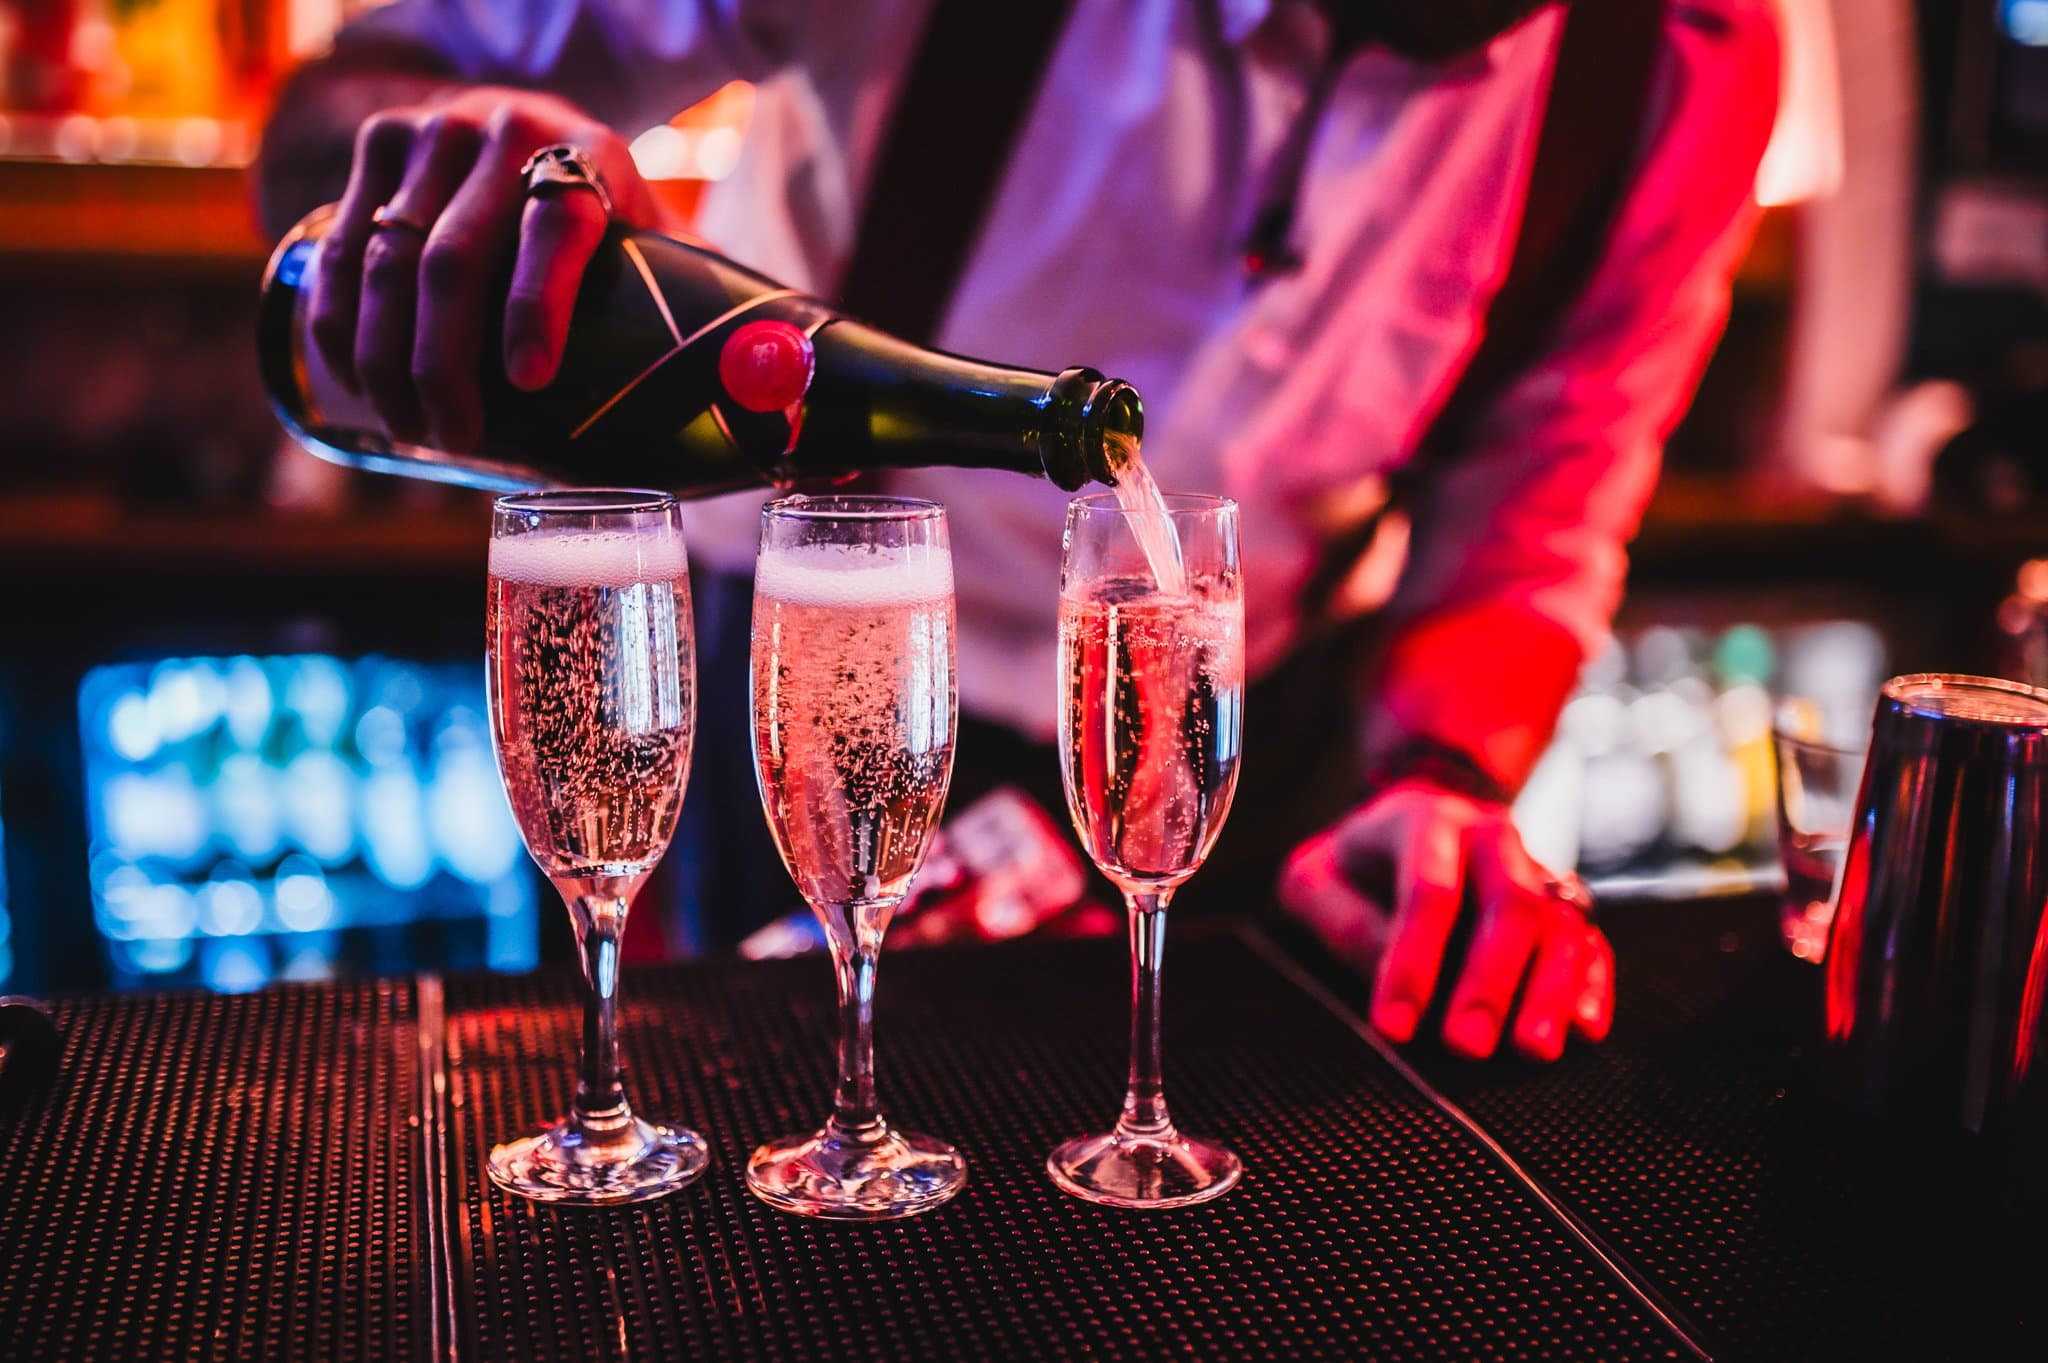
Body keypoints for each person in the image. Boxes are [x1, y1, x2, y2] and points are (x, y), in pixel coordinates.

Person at [256, 0, 1780, 1062]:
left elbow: (1539, 507)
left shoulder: (1686, 57)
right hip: (805, 684)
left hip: (1229, 743)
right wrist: (443, 174)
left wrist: (1445, 782)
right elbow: (359, 95)